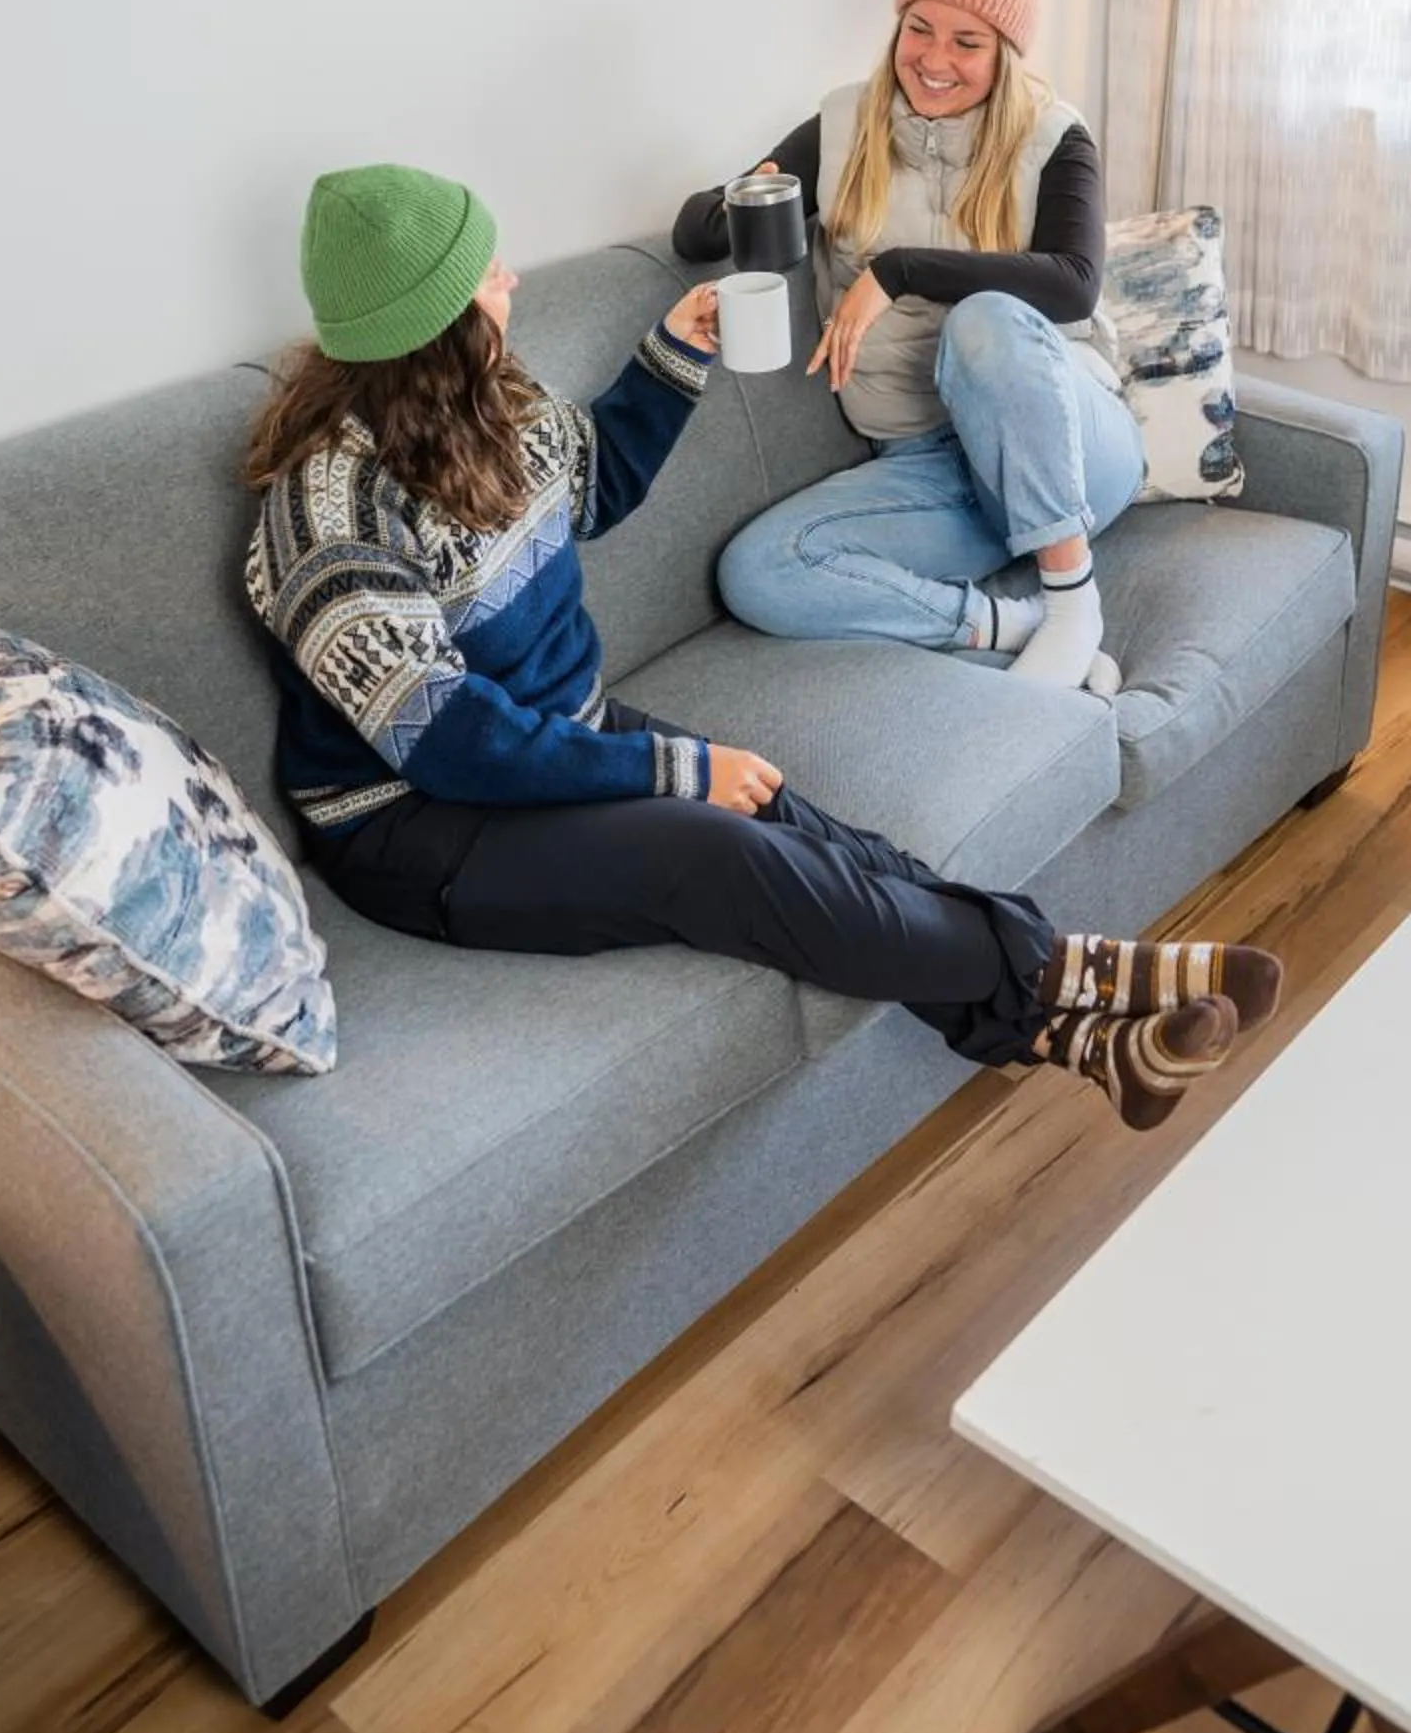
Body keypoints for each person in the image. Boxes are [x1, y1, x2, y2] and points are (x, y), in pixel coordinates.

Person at [242, 162, 1282, 1130]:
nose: (507, 279)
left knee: (790, 816)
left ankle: (1083, 1042)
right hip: (419, 826)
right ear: (434, 324)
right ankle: (1085, 974)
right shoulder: (330, 517)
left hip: (556, 734)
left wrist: (674, 355)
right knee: (725, 856)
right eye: (484, 273)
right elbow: (451, 744)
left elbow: (588, 488)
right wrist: (678, 768)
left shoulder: (488, 399)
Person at [674, 0, 1140, 696]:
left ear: (1005, 52)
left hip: (1071, 446)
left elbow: (1073, 282)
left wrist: (900, 270)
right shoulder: (843, 126)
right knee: (758, 570)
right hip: (932, 470)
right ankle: (1006, 625)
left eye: (968, 42)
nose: (934, 59)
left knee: (985, 317)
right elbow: (698, 233)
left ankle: (1071, 605)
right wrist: (734, 205)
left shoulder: (1054, 139)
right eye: (919, 28)